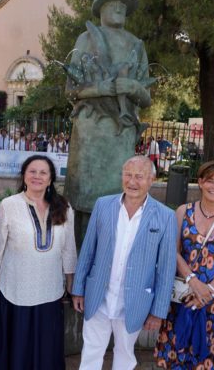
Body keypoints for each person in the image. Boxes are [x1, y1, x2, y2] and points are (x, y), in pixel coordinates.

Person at [72, 155, 177, 369]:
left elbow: (166, 269)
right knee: (91, 351)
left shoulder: (165, 216)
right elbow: (88, 249)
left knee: (125, 354)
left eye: (139, 176)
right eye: (128, 175)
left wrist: (158, 311)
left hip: (134, 301)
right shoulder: (103, 205)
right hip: (97, 296)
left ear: (152, 180)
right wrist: (78, 289)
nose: (132, 181)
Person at [64, 0, 153, 215]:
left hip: (121, 131)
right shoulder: (86, 39)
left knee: (116, 200)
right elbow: (70, 90)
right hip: (90, 130)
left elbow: (146, 97)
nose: (119, 8)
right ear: (100, 9)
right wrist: (101, 89)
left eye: (123, 5)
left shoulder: (136, 44)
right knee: (83, 200)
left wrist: (132, 87)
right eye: (113, 3)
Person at [155, 160, 214, 368]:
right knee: (175, 348)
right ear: (201, 182)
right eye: (210, 180)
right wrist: (192, 280)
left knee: (206, 353)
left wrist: (208, 290)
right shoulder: (183, 212)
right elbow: (173, 252)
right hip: (182, 294)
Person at [0, 155, 77, 369]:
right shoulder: (9, 205)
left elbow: (69, 248)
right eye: (32, 171)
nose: (37, 176)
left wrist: (70, 283)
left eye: (43, 172)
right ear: (24, 176)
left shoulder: (64, 207)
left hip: (50, 291)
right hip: (15, 291)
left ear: (50, 180)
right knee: (17, 350)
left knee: (47, 350)